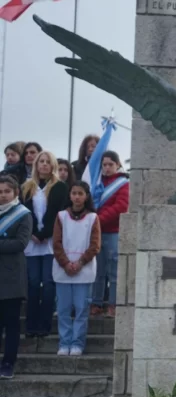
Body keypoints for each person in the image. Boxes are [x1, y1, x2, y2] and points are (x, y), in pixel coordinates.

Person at [21, 151, 68, 338]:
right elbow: (26, 211)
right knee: (33, 283)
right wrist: (32, 233)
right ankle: (31, 325)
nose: (44, 165)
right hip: (32, 242)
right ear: (36, 164)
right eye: (41, 161)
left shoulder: (59, 187)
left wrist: (45, 233)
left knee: (48, 283)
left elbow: (57, 212)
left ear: (53, 165)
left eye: (48, 162)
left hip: (49, 241)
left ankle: (45, 325)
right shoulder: (26, 186)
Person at [52, 181, 101, 356]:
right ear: (70, 196)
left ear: (86, 196)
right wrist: (65, 263)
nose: (77, 197)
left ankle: (77, 343)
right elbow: (56, 243)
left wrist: (80, 263)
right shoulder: (61, 216)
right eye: (74, 193)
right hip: (62, 268)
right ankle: (64, 342)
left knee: (81, 309)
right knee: (64, 309)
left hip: (84, 269)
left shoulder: (93, 218)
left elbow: (95, 245)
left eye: (81, 193)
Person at [0, 175, 33, 378]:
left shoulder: (23, 215)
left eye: (6, 191)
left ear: (15, 193)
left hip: (12, 279)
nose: (2, 195)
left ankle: (8, 363)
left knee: (11, 324)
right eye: (0, 192)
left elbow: (20, 244)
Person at [90, 151, 129, 318]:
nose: (106, 168)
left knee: (113, 271)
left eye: (110, 164)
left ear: (117, 165)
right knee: (97, 270)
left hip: (113, 232)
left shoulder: (123, 183)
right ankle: (96, 303)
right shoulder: (96, 182)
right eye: (104, 165)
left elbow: (121, 206)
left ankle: (112, 304)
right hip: (97, 232)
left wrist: (98, 220)